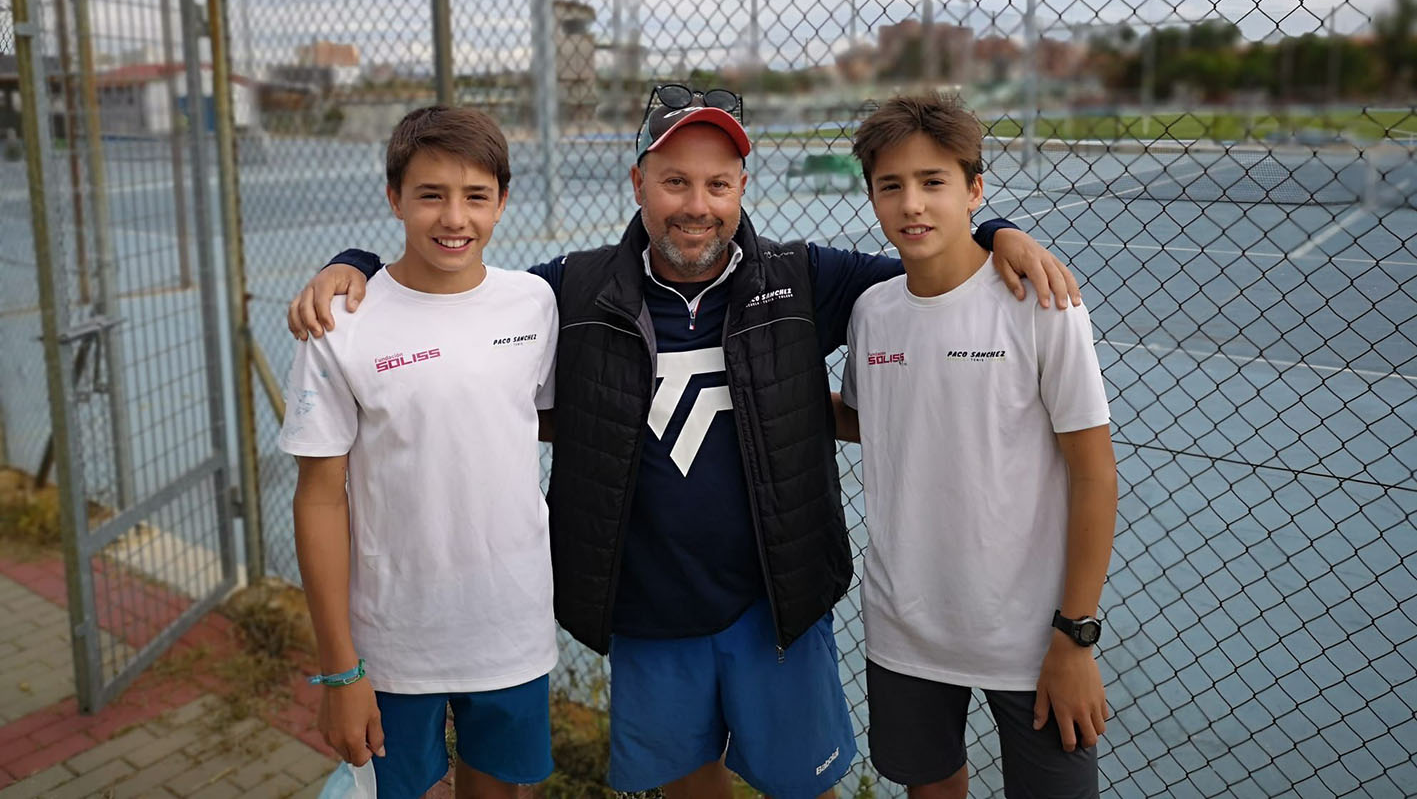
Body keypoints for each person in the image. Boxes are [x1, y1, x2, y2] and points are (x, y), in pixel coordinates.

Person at [287, 84, 1082, 799]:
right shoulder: (568, 287)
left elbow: (932, 262)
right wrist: (353, 265)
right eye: (672, 182)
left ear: (741, 188)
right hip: (646, 607)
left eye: (715, 183)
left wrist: (1001, 233)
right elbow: (454, 298)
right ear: (638, 185)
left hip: (776, 605)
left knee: (799, 787)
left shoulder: (805, 278)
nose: (694, 204)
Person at [834, 92, 1117, 799]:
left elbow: (1093, 474)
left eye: (933, 182)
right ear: (871, 195)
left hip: (1032, 640)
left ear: (975, 190)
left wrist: (1075, 636)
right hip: (904, 629)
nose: (912, 205)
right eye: (890, 186)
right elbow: (871, 418)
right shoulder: (872, 313)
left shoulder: (1041, 303)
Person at [280, 106, 559, 799]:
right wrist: (339, 670)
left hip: (512, 628)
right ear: (393, 199)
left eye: (475, 197)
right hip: (393, 642)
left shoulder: (535, 303)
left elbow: (526, 420)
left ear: (503, 200)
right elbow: (318, 497)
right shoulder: (338, 323)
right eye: (430, 195)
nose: (453, 218)